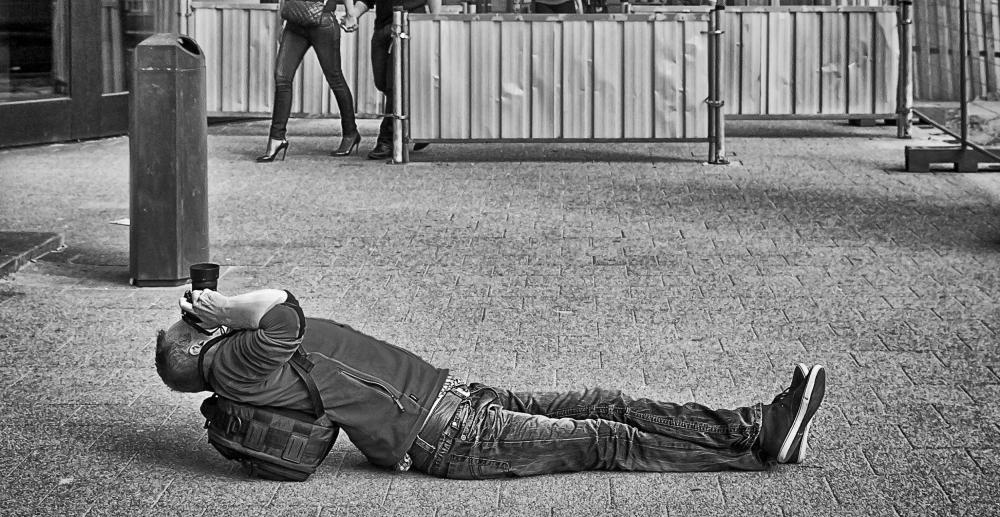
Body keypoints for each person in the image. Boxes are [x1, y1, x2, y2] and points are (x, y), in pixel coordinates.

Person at [157, 288, 828, 479]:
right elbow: (282, 307)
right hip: (446, 436)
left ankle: (759, 426)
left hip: (454, 401)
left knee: (605, 401)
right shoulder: (231, 362)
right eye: (197, 322)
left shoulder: (236, 362)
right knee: (605, 437)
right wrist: (222, 309)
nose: (205, 319)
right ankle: (757, 449)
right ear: (203, 345)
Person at [258, 0, 361, 163]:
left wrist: (350, 14)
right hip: (295, 23)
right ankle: (276, 138)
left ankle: (350, 133)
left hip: (322, 22)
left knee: (334, 77)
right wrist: (282, 24)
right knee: (282, 77)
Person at [350, 0, 441, 161]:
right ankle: (418, 124)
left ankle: (387, 140)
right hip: (382, 25)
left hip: (410, 25)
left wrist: (433, 23)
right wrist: (353, 14)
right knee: (382, 81)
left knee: (394, 81)